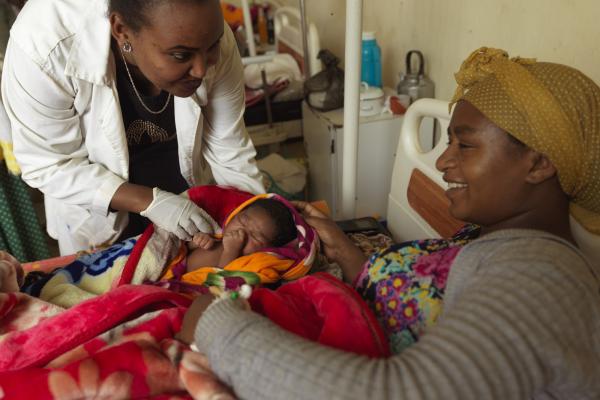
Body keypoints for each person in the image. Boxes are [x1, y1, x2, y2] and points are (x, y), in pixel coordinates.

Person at [178, 47, 600, 399]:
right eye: (448, 141)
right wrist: (346, 251)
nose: (441, 162)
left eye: (465, 145)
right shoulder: (494, 236)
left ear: (540, 163)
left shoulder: (541, 278)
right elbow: (419, 305)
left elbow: (405, 391)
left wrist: (218, 327)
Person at [1, 0, 265, 255]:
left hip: (190, 201)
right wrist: (150, 201)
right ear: (121, 30)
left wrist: (265, 213)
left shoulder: (206, 34)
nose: (200, 69)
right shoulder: (45, 42)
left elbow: (229, 148)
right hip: (99, 214)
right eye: (180, 55)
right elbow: (48, 163)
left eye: (212, 48)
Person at [186, 198, 297, 270]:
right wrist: (198, 241)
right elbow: (184, 249)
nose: (242, 233)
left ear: (267, 250)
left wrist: (230, 252)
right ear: (234, 214)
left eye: (255, 237)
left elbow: (221, 280)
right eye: (242, 221)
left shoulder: (244, 265)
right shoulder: (216, 236)